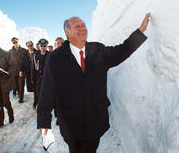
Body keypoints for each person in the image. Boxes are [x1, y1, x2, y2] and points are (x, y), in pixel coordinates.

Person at [37, 13, 150, 153]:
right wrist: (44, 123)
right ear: (67, 33)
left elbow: (123, 50)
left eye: (83, 25)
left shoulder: (99, 50)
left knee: (90, 149)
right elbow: (47, 91)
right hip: (70, 121)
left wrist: (140, 31)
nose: (82, 28)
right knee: (75, 149)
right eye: (77, 26)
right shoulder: (55, 58)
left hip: (95, 119)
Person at [33, 38, 49, 110]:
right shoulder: (35, 55)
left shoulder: (50, 55)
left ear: (47, 46)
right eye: (41, 45)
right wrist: (32, 78)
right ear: (39, 46)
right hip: (38, 78)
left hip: (48, 78)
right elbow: (33, 68)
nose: (43, 47)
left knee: (47, 93)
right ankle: (41, 106)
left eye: (44, 45)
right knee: (39, 93)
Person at [9, 37, 27, 102]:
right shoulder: (10, 51)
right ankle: (17, 93)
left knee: (21, 85)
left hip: (21, 71)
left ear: (18, 42)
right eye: (14, 42)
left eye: (16, 42)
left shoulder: (23, 50)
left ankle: (21, 98)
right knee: (16, 85)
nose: (15, 43)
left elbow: (27, 60)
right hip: (14, 72)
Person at [19, 41, 37, 106]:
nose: (30, 47)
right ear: (27, 46)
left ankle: (36, 102)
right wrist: (21, 70)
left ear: (33, 45)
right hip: (28, 73)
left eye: (31, 45)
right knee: (31, 86)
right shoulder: (25, 54)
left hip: (36, 73)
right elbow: (22, 63)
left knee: (36, 88)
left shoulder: (37, 52)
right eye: (28, 46)